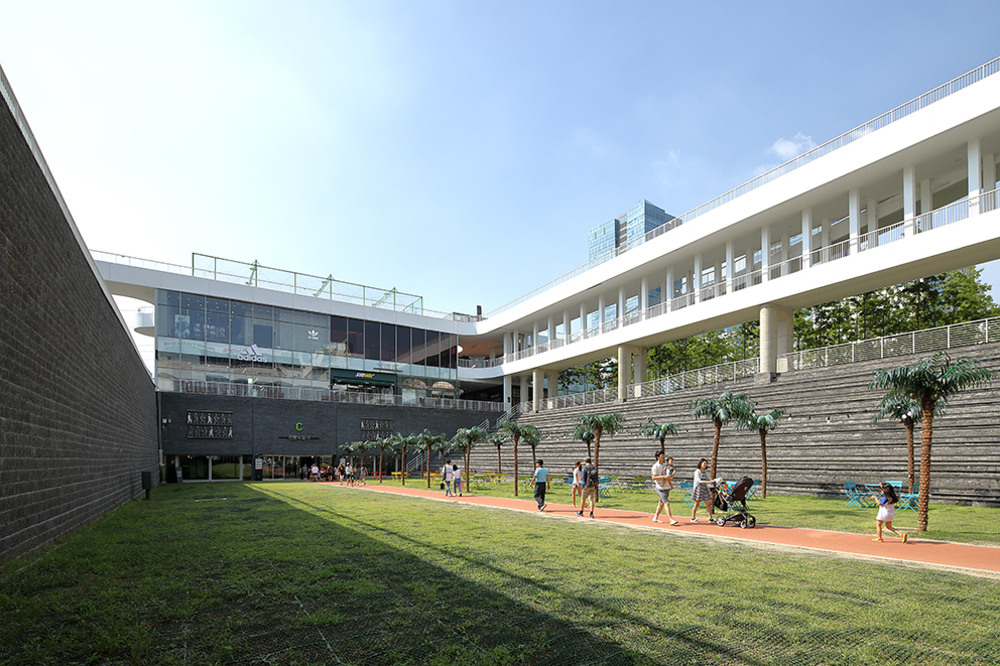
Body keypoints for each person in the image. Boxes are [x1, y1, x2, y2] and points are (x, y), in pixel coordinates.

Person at [651, 452, 679, 525]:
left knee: (661, 503)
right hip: (660, 487)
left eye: (663, 455)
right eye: (661, 455)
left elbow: (669, 473)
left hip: (666, 487)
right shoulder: (655, 466)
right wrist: (663, 477)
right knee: (666, 503)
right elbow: (653, 477)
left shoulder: (665, 465)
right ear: (658, 457)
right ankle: (671, 519)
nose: (663, 456)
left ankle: (655, 517)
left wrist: (671, 476)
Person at [690, 458, 721, 523]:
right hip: (699, 488)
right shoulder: (697, 472)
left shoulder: (705, 472)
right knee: (697, 503)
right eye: (704, 463)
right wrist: (709, 482)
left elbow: (709, 478)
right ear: (700, 464)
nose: (705, 465)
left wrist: (714, 481)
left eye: (706, 463)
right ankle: (693, 518)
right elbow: (699, 481)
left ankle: (710, 518)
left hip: (705, 488)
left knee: (708, 503)